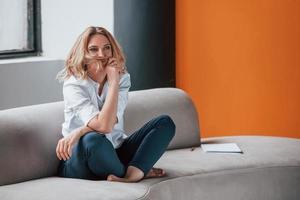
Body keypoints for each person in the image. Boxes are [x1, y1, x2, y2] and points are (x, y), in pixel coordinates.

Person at [56, 26, 176, 182]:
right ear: (83, 54)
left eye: (107, 48)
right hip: (81, 158)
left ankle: (129, 174)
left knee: (165, 123)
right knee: (93, 140)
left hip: (114, 152)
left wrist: (114, 82)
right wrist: (84, 134)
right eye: (93, 49)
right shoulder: (74, 85)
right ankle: (135, 172)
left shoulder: (122, 78)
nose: (102, 55)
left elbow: (108, 123)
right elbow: (104, 127)